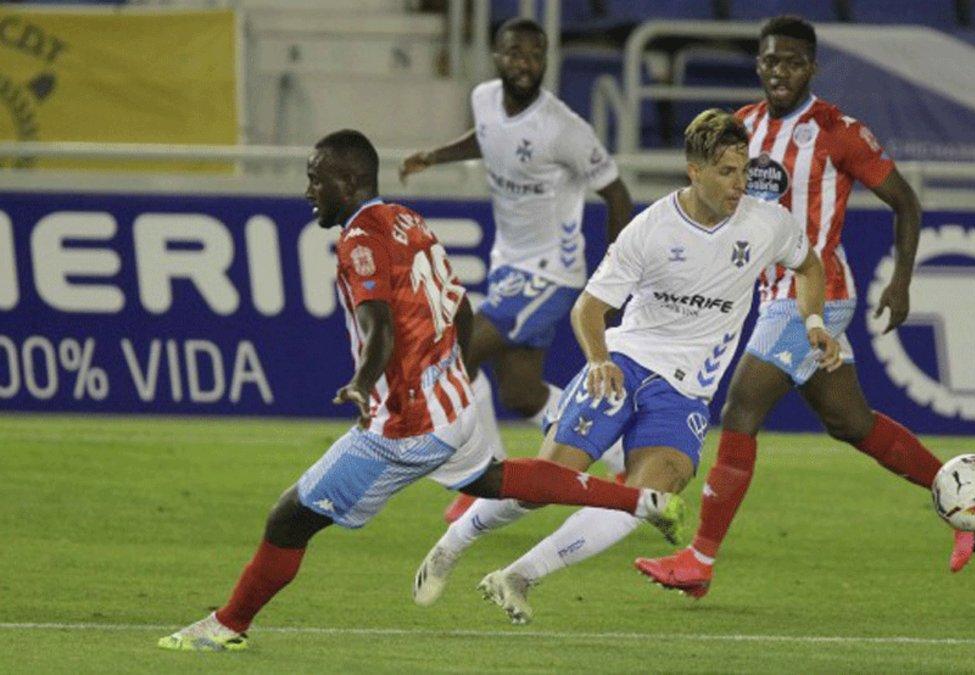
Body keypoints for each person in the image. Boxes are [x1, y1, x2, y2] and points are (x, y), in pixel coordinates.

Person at [157, 130, 682, 652]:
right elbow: (459, 305)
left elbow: (378, 327)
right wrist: (449, 367)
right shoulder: (407, 219)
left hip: (405, 424)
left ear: (350, 180)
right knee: (493, 479)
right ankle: (640, 498)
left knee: (289, 519)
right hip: (451, 400)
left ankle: (228, 624)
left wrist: (363, 385)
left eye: (316, 179)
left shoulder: (360, 240)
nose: (309, 191)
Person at [409, 109, 840, 625]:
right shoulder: (651, 229)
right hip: (625, 364)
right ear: (694, 171)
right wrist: (598, 358)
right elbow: (588, 309)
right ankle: (455, 541)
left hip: (684, 394)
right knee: (551, 481)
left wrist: (812, 319)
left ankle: (519, 576)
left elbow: (809, 264)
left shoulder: (766, 223)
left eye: (743, 170)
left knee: (646, 499)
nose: (739, 184)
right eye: (726, 172)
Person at [635, 15, 975, 599]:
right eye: (770, 61)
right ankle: (960, 505)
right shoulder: (740, 127)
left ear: (811, 68)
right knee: (851, 423)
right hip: (765, 295)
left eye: (792, 62)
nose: (779, 72)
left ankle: (699, 561)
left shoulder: (837, 130)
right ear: (759, 64)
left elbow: (906, 203)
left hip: (815, 293)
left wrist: (901, 282)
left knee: (742, 408)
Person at [400, 18, 634, 524]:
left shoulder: (564, 128)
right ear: (497, 56)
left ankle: (481, 476)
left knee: (458, 352)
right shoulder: (484, 98)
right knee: (522, 392)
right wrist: (435, 156)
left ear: (545, 58)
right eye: (514, 53)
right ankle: (620, 458)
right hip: (509, 266)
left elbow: (616, 191)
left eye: (535, 54)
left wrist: (617, 274)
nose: (525, 63)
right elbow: (488, 138)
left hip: (551, 273)